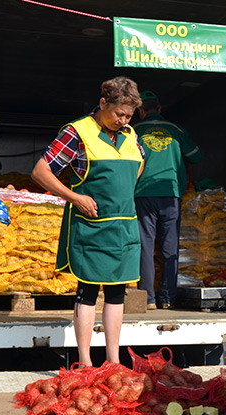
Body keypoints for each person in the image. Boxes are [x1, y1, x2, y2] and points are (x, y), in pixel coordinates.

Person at [31, 76, 144, 365]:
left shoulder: (131, 135)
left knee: (118, 291)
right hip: (91, 227)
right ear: (103, 103)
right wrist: (75, 197)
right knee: (88, 291)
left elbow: (138, 165)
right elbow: (41, 171)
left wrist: (122, 196)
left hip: (124, 227)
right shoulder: (77, 132)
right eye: (119, 113)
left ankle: (114, 362)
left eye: (128, 115)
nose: (123, 120)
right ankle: (84, 362)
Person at [133, 90, 202, 310]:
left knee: (145, 244)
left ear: (140, 111)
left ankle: (148, 299)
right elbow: (196, 156)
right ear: (160, 109)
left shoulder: (134, 131)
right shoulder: (176, 130)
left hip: (143, 193)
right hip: (171, 194)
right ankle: (167, 298)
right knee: (170, 247)